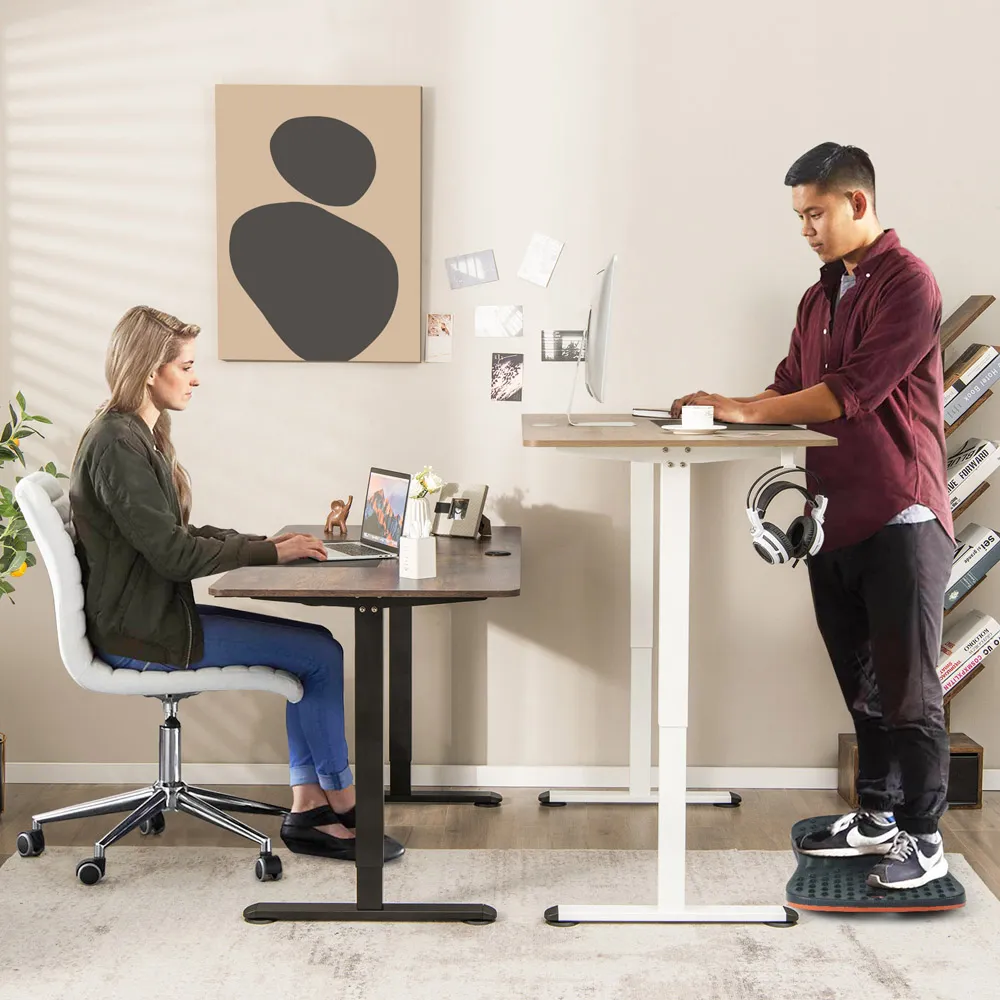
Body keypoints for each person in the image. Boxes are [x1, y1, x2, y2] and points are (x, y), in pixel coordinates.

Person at [671, 143, 953, 890]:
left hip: (903, 515)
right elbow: (791, 385)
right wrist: (722, 412)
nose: (806, 230)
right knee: (861, 684)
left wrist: (742, 409)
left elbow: (848, 393)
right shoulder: (819, 296)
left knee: (909, 690)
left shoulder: (908, 284)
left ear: (858, 203)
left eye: (815, 214)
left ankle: (923, 838)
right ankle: (879, 817)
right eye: (799, 217)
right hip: (836, 518)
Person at [69, 305, 404, 863]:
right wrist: (269, 550)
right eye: (187, 365)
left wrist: (266, 543)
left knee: (318, 649)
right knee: (319, 654)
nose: (196, 378)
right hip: (141, 637)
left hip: (150, 619)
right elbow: (174, 554)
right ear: (151, 369)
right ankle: (340, 801)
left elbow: (172, 535)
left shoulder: (132, 435)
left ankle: (311, 806)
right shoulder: (117, 444)